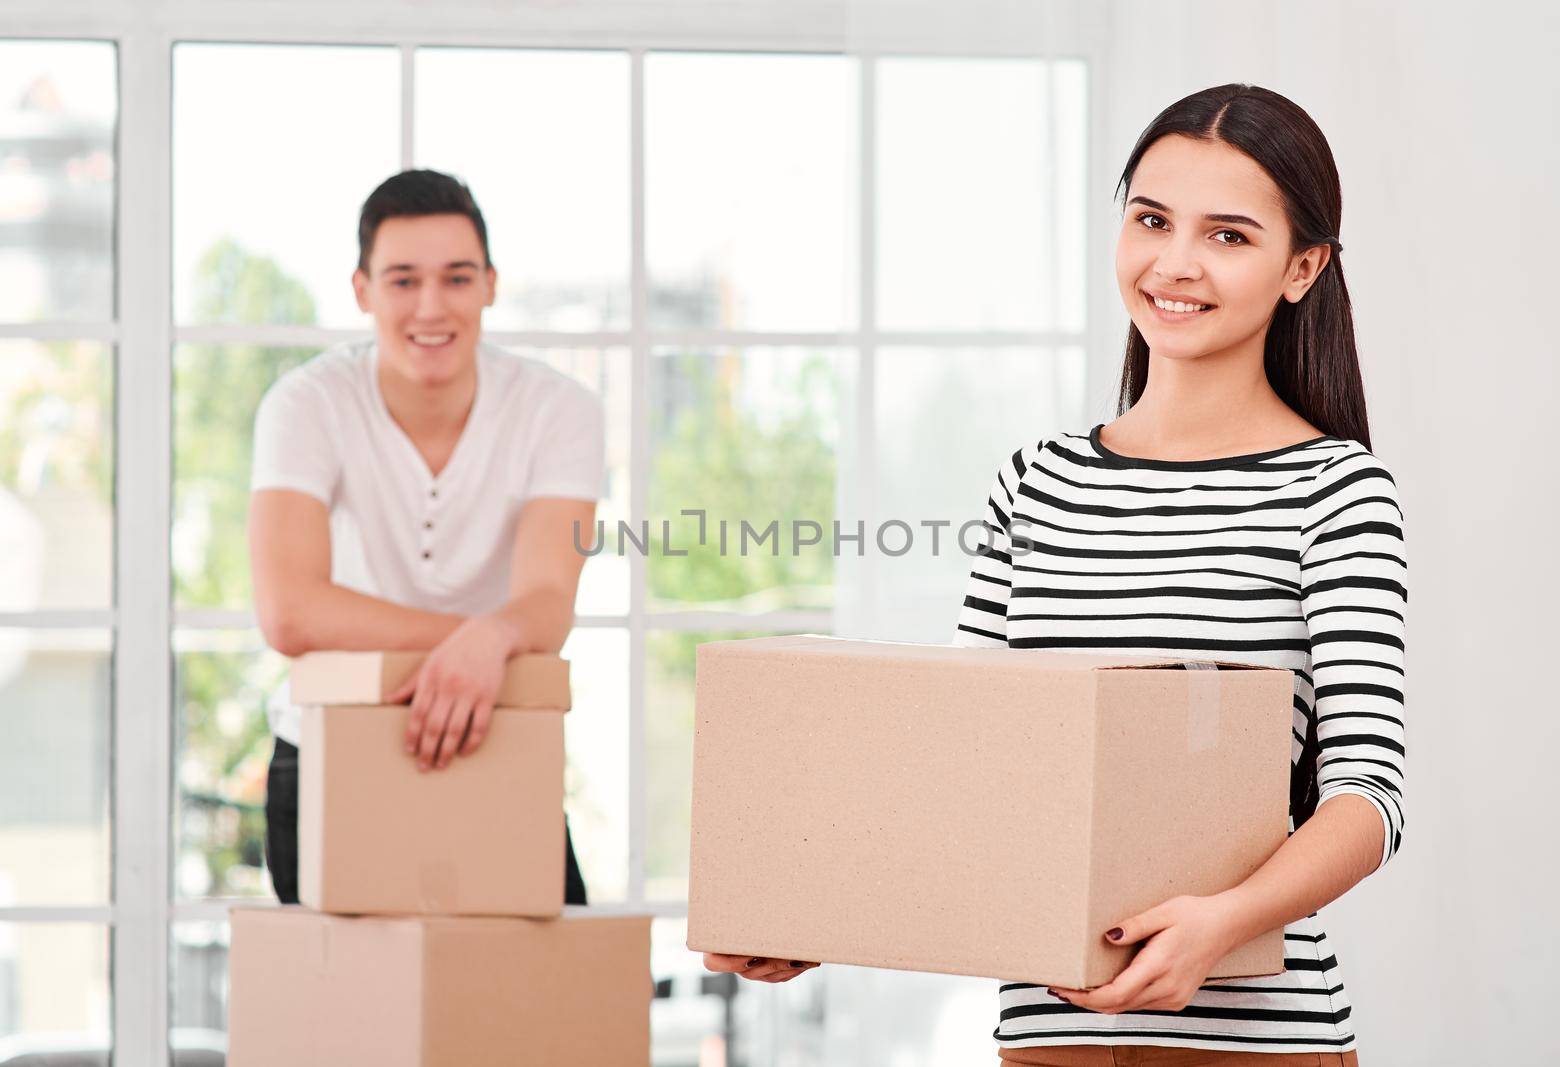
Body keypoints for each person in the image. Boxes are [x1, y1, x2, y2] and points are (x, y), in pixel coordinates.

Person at [705, 83, 1404, 1066]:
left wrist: (1220, 921)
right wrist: (818, 913)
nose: (1174, 262)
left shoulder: (1335, 490)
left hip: (1255, 1039)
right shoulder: (1038, 481)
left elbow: (1368, 797)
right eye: (1151, 219)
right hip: (1048, 1036)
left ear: (1303, 265)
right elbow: (972, 771)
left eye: (1228, 236)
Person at [248, 168, 604, 906]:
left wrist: (497, 640)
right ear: (362, 290)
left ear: (491, 286)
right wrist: (482, 638)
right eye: (403, 280)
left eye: (456, 277)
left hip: (494, 741)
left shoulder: (558, 410)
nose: (431, 307)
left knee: (543, 1002)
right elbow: (289, 612)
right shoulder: (306, 406)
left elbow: (548, 602)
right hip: (326, 750)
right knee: (344, 1015)